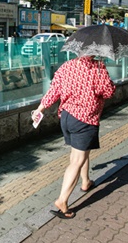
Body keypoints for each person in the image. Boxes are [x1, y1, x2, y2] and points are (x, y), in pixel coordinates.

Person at [31, 55, 115, 219]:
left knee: (81, 152)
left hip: (67, 117)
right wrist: (109, 82)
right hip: (85, 120)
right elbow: (108, 92)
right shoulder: (98, 68)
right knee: (76, 160)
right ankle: (62, 200)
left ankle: (86, 181)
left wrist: (40, 109)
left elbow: (54, 91)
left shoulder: (66, 66)